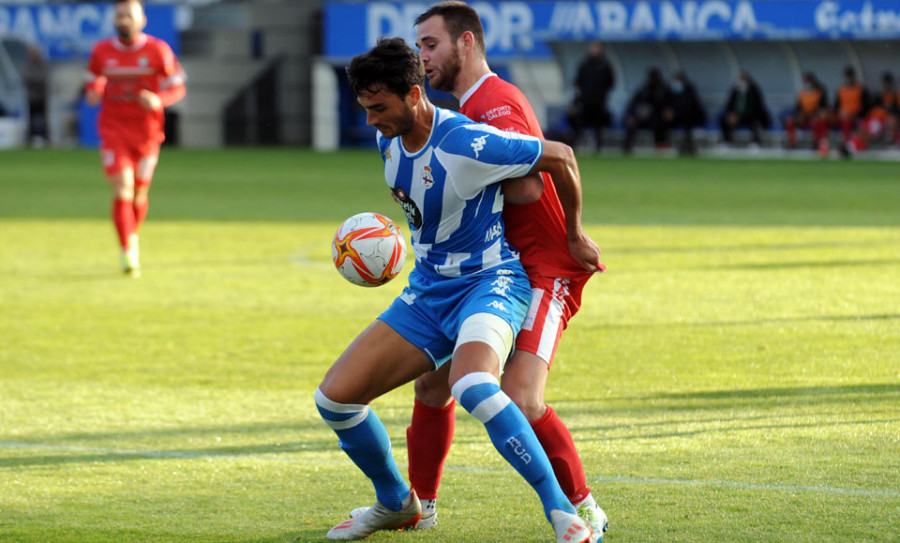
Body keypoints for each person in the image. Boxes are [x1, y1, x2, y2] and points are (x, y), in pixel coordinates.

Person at [315, 36, 599, 543]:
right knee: (334, 400)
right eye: (364, 107)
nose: (370, 120)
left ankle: (564, 515)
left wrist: (574, 234)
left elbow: (561, 156)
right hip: (427, 294)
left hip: (490, 283)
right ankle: (397, 503)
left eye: (378, 107)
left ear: (414, 94)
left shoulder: (465, 141)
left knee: (472, 385)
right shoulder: (387, 141)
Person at [84, 0, 185, 277]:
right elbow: (93, 80)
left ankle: (131, 236)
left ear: (142, 20)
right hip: (114, 130)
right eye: (119, 16)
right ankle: (127, 250)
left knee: (140, 194)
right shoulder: (102, 52)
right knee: (123, 189)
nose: (123, 20)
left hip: (147, 133)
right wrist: (93, 90)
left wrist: (158, 100)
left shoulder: (157, 51)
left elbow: (177, 87)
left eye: (129, 16)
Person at [569, 41, 615, 151]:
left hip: (599, 101)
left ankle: (598, 147)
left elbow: (610, 81)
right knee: (579, 122)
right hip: (585, 100)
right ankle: (574, 146)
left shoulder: (605, 65)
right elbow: (578, 81)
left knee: (598, 125)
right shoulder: (584, 64)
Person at [841, 71, 900, 157]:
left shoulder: (895, 95)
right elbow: (870, 107)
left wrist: (889, 114)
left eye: (888, 83)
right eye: (885, 82)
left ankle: (853, 147)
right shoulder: (878, 95)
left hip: (883, 120)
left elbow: (895, 112)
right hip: (873, 118)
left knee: (870, 132)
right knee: (862, 130)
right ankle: (850, 146)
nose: (886, 85)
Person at [622, 67, 673, 153]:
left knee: (659, 125)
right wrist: (630, 115)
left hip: (659, 118)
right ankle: (627, 148)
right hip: (645, 117)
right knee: (632, 124)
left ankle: (660, 147)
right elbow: (633, 103)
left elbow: (671, 105)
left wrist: (669, 111)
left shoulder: (664, 90)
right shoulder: (645, 89)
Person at [823, 65, 871, 156]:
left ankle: (845, 145)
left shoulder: (861, 89)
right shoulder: (841, 89)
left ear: (853, 76)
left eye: (850, 76)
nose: (848, 78)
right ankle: (822, 143)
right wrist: (838, 113)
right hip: (841, 116)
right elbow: (836, 106)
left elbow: (867, 107)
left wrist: (853, 113)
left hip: (855, 117)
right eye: (847, 76)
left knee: (847, 121)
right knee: (822, 118)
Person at [720, 70, 771, 147]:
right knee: (724, 120)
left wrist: (739, 116)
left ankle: (755, 143)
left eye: (743, 79)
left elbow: (755, 107)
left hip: (751, 116)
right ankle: (726, 142)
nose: (741, 81)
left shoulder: (754, 90)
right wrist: (731, 115)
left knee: (754, 122)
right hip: (737, 117)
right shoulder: (735, 91)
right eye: (740, 79)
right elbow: (728, 105)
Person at [783, 72, 829, 151]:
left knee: (818, 120)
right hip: (804, 118)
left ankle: (816, 143)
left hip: (814, 117)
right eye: (806, 81)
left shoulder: (819, 93)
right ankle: (792, 143)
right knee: (789, 120)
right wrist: (799, 115)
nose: (807, 83)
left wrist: (815, 114)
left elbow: (823, 108)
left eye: (809, 81)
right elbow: (798, 108)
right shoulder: (802, 93)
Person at [667, 70, 706, 154]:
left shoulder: (689, 90)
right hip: (677, 117)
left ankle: (687, 145)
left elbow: (691, 106)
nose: (676, 82)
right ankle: (663, 144)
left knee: (687, 121)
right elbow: (668, 104)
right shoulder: (672, 92)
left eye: (678, 80)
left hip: (691, 117)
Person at [22, 45, 49, 146]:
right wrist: (37, 80)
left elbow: (45, 76)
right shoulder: (27, 63)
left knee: (44, 118)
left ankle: (46, 139)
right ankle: (29, 139)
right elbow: (26, 77)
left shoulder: (43, 63)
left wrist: (35, 80)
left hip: (42, 96)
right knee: (30, 119)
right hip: (32, 96)